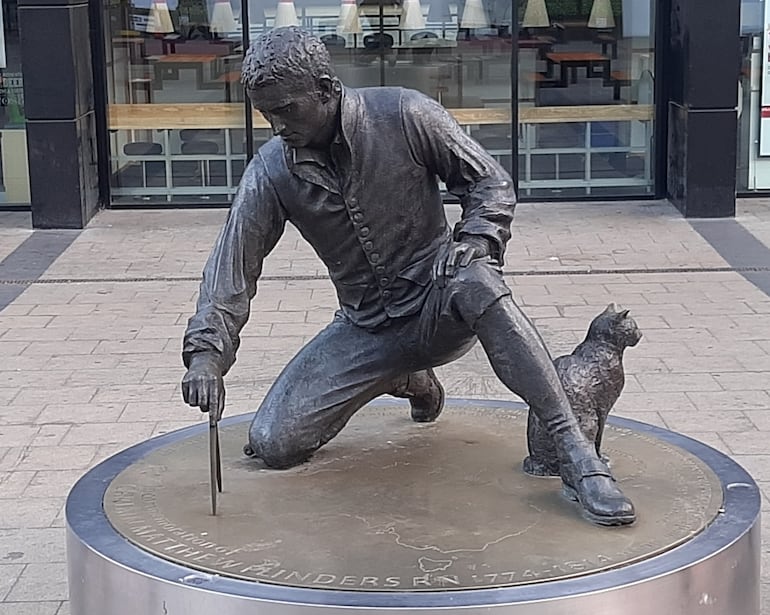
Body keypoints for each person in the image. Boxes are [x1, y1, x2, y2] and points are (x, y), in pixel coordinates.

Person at [181, 26, 635, 526]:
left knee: (479, 279)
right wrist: (206, 357)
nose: (275, 125)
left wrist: (476, 239)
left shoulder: (405, 113)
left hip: (443, 299)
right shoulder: (271, 171)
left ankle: (576, 455)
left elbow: (488, 181)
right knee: (273, 444)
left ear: (327, 90)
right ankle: (410, 378)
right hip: (365, 329)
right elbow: (232, 267)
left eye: (285, 109)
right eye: (265, 113)